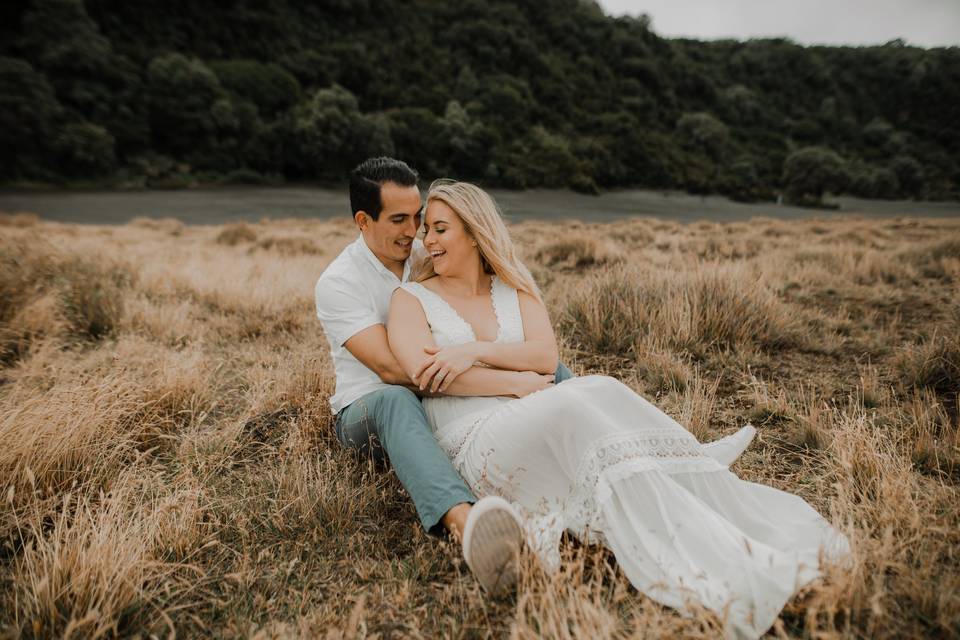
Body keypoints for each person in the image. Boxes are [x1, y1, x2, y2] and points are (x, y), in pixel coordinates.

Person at [386, 179, 850, 639]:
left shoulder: (514, 287)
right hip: (474, 432)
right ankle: (669, 474)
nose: (427, 240)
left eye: (440, 229)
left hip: (536, 411)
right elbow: (425, 373)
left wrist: (471, 351)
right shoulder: (411, 299)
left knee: (599, 387)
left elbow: (544, 358)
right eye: (427, 229)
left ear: (474, 231)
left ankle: (681, 467)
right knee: (568, 404)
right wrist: (516, 383)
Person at [314, 157, 577, 593]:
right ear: (363, 220)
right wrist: (510, 384)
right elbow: (397, 371)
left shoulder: (424, 252)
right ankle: (467, 524)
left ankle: (600, 439)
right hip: (371, 409)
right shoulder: (339, 282)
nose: (414, 230)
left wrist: (520, 365)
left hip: (444, 395)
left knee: (550, 370)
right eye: (399, 219)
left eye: (418, 216)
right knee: (397, 401)